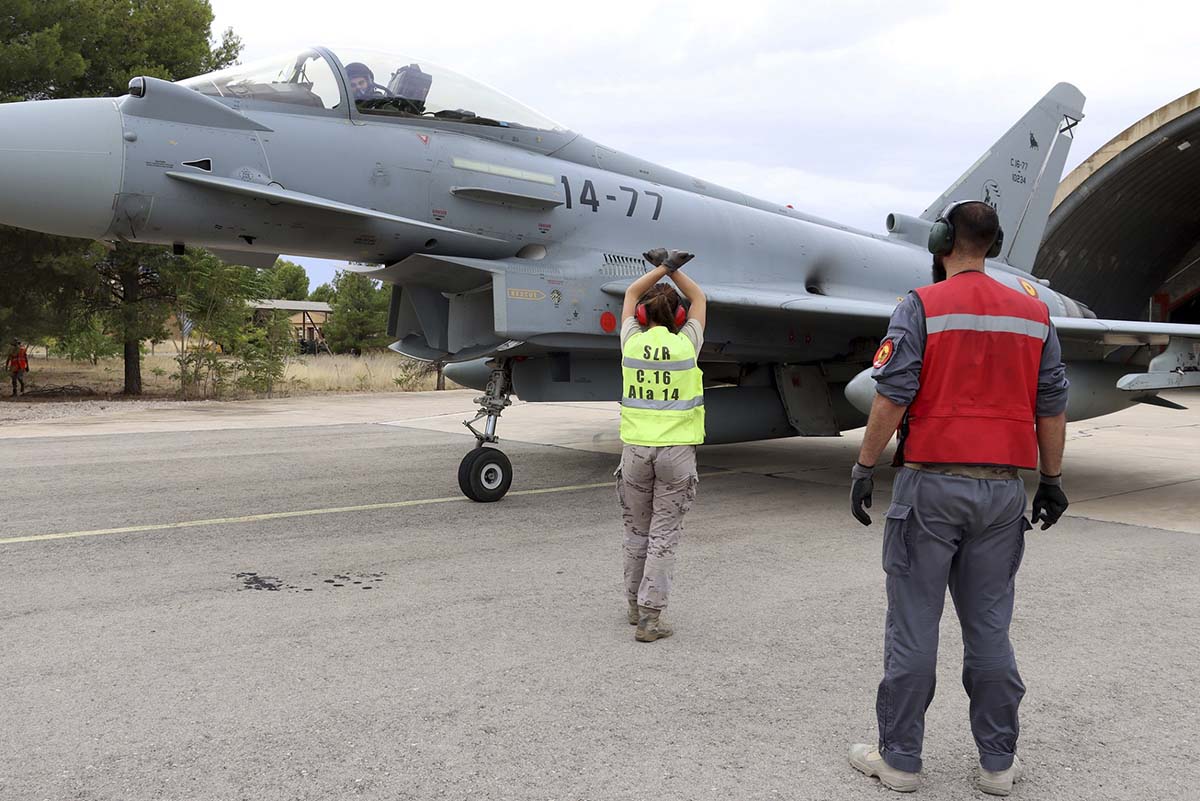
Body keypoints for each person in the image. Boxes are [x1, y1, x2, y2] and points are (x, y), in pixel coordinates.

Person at [846, 200, 1070, 795]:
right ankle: (997, 764)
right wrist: (1050, 479)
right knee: (990, 627)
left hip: (931, 488)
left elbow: (891, 395)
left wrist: (865, 464)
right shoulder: (1034, 313)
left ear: (941, 239)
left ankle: (899, 760)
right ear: (994, 245)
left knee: (914, 626)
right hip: (1002, 492)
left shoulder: (920, 306)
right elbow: (1051, 402)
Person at [617, 247, 707, 643]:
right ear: (681, 318)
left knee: (636, 531)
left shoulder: (631, 342)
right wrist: (678, 270)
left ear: (640, 316)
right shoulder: (688, 344)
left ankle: (635, 607)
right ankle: (650, 620)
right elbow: (701, 299)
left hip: (635, 451)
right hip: (676, 453)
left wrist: (661, 269)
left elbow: (631, 294)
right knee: (663, 534)